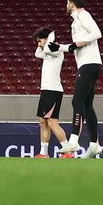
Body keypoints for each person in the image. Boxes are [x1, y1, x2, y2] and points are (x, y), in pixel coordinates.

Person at [59, 0, 103, 159]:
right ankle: (94, 145)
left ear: (72, 3)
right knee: (87, 106)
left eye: (67, 2)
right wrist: (59, 47)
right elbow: (75, 46)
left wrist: (79, 42)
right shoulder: (78, 19)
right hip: (91, 65)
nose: (66, 5)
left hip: (88, 65)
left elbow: (97, 32)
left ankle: (73, 140)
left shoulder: (82, 15)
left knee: (76, 101)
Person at [33, 28, 76, 158]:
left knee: (52, 122)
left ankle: (68, 151)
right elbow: (37, 54)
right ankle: (43, 153)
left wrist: (50, 37)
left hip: (53, 90)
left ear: (47, 39)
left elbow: (46, 49)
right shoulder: (47, 51)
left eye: (39, 40)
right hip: (46, 89)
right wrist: (42, 42)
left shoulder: (56, 49)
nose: (38, 44)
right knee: (42, 121)